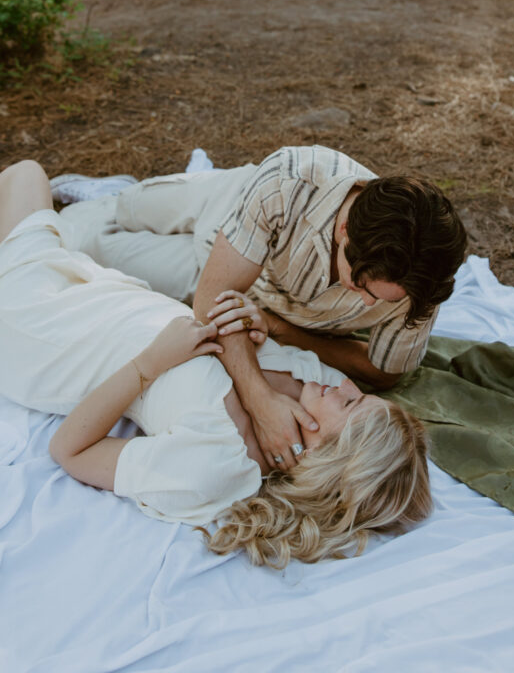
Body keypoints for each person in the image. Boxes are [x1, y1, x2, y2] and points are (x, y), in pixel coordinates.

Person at [0, 160, 432, 567]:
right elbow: (223, 310)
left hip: (42, 333)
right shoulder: (316, 383)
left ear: (324, 456)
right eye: (360, 396)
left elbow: (69, 449)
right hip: (104, 291)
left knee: (26, 175)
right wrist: (257, 322)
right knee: (36, 190)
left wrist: (150, 365)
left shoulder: (215, 467)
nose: (349, 387)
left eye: (352, 404)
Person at [56, 145, 467, 468]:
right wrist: (259, 402)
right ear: (345, 229)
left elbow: (384, 371)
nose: (366, 305)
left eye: (382, 301)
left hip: (233, 290)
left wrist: (278, 327)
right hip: (226, 213)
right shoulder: (290, 179)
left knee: (87, 244)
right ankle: (117, 193)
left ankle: (92, 214)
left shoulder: (420, 278)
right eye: (361, 285)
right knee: (128, 207)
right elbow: (213, 302)